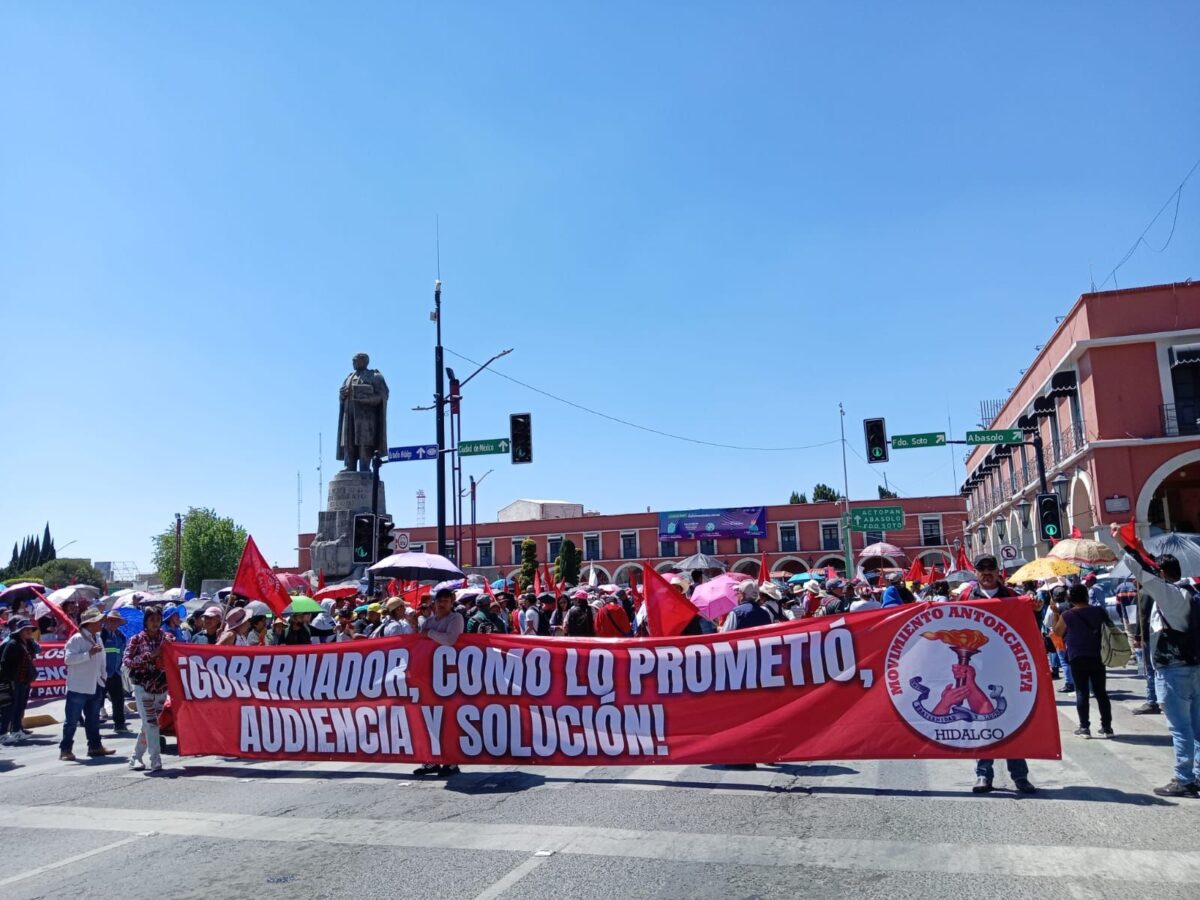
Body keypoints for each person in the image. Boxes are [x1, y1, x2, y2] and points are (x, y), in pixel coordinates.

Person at [1109, 523, 1200, 797]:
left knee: (1180, 728)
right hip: (1193, 666)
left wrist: (1123, 545)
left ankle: (1184, 779)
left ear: (1162, 574)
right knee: (1196, 726)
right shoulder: (1191, 593)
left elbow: (1144, 573)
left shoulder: (1171, 595)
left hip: (1175, 670)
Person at [961, 554, 1037, 795]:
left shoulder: (1014, 598)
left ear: (998, 571)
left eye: (990, 568)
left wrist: (1035, 608)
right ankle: (984, 776)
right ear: (975, 573)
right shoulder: (966, 598)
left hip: (1008, 670)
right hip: (979, 672)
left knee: (1012, 723)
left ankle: (1020, 777)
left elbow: (1030, 627)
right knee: (983, 724)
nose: (986, 572)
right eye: (981, 569)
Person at [1051, 584, 1114, 739]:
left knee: (1081, 692)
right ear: (1086, 596)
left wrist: (1054, 614)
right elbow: (1110, 627)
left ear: (1070, 598)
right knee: (1101, 693)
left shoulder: (1067, 615)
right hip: (1098, 655)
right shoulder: (1098, 611)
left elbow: (1057, 632)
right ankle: (1107, 727)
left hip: (1077, 656)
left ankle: (1084, 728)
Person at [413, 589, 464, 778]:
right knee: (428, 720)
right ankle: (431, 760)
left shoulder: (455, 619)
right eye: (439, 600)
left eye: (446, 600)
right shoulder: (429, 621)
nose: (442, 604)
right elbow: (420, 643)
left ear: (451, 603)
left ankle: (451, 762)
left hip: (448, 678)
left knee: (448, 720)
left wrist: (430, 634)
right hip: (428, 677)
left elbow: (450, 640)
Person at [59, 607, 115, 762]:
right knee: (71, 721)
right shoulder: (76, 639)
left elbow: (102, 658)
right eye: (98, 621)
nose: (101, 623)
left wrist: (103, 676)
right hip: (78, 686)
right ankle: (65, 749)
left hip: (95, 684)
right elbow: (68, 660)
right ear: (90, 623)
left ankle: (95, 746)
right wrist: (88, 654)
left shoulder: (97, 638)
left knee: (93, 719)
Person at [122, 605, 173, 774]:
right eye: (151, 620)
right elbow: (128, 661)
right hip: (143, 687)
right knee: (152, 723)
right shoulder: (136, 639)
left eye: (158, 620)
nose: (155, 623)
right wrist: (150, 655)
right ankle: (155, 759)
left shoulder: (167, 638)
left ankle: (135, 757)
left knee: (149, 724)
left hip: (161, 687)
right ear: (146, 621)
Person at [0, 617, 39, 744]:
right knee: (10, 707)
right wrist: (9, 679)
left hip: (23, 680)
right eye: (25, 629)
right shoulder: (12, 644)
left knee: (20, 706)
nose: (29, 631)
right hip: (13, 681)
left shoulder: (26, 643)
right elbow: (4, 663)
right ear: (19, 631)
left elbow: (36, 651)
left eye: (30, 629)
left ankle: (16, 731)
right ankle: (3, 734)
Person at [100, 611, 129, 732]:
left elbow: (123, 652)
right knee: (97, 700)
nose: (113, 623)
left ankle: (119, 725)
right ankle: (91, 724)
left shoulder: (121, 636)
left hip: (115, 673)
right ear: (106, 621)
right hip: (102, 673)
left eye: (116, 621)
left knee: (118, 699)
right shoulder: (102, 635)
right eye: (111, 620)